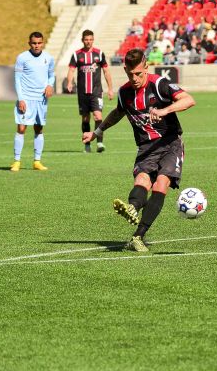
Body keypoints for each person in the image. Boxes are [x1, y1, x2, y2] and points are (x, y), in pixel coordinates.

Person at [83, 48, 196, 252]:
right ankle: (132, 208)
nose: (134, 78)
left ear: (146, 67)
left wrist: (164, 110)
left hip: (170, 144)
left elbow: (189, 100)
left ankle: (138, 236)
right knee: (142, 180)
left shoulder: (159, 84)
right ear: (125, 70)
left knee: (160, 184)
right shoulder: (125, 92)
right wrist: (97, 132)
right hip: (146, 146)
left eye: (138, 74)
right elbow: (118, 113)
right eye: (130, 74)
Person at [10, 31, 55, 172]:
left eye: (39, 43)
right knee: (21, 128)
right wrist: (21, 99)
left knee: (39, 128)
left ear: (43, 43)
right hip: (26, 98)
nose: (37, 45)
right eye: (34, 43)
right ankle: (17, 161)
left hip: (41, 99)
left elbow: (51, 76)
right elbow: (17, 80)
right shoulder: (22, 58)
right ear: (29, 43)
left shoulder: (49, 58)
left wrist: (50, 85)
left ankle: (37, 161)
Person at [66, 30, 114, 154]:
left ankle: (99, 142)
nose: (88, 42)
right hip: (82, 93)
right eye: (86, 39)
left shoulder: (99, 53)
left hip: (96, 91)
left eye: (90, 39)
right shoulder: (77, 55)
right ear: (82, 40)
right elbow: (71, 70)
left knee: (98, 116)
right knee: (85, 119)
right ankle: (87, 144)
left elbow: (106, 71)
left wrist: (110, 89)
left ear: (93, 40)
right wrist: (69, 82)